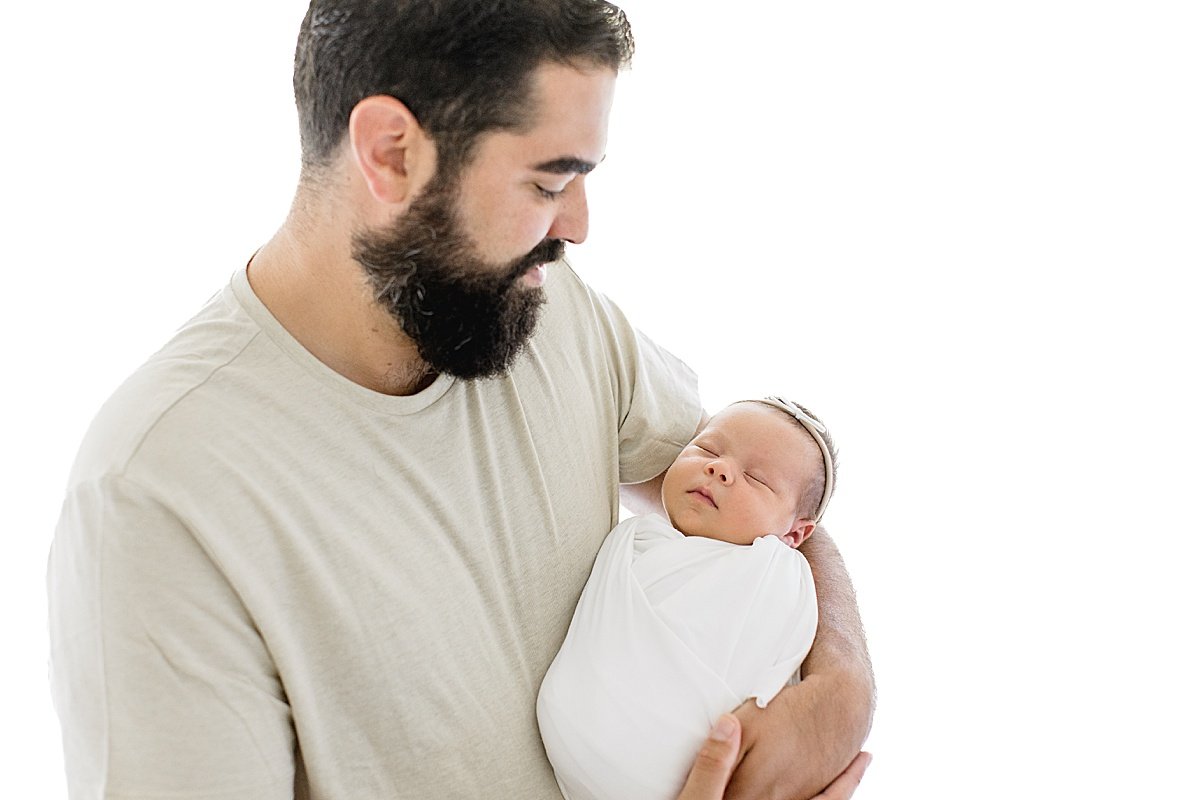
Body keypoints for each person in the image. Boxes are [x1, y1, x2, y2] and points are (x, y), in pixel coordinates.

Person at [46, 2, 874, 798]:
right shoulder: (156, 496)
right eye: (552, 181)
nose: (579, 224)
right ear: (393, 151)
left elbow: (757, 487)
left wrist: (842, 683)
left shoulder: (545, 306)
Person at [538, 397, 838, 799]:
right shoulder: (636, 538)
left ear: (794, 536)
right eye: (707, 449)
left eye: (757, 478)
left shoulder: (774, 572)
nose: (719, 468)